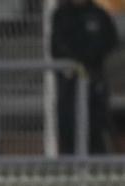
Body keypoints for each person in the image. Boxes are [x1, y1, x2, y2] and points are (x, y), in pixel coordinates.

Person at [51, 0, 119, 154]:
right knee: (69, 125)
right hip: (69, 82)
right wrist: (74, 62)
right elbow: (56, 46)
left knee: (97, 124)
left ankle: (98, 165)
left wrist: (90, 59)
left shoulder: (98, 13)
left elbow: (110, 41)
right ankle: (70, 166)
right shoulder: (62, 14)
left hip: (94, 79)